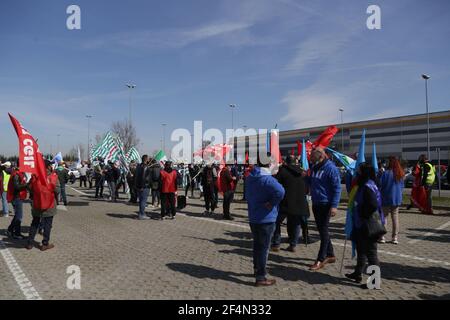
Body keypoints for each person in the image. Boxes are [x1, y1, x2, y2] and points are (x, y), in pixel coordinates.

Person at [245, 154, 285, 287]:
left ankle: (257, 269)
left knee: (257, 246)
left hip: (253, 216)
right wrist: (272, 203)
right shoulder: (268, 179)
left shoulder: (251, 177)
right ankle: (261, 277)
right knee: (263, 248)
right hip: (266, 218)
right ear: (269, 164)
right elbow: (280, 191)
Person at [345, 163, 383, 286]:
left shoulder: (367, 186)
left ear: (363, 173)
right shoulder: (365, 184)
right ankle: (358, 273)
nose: (357, 173)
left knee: (371, 253)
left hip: (368, 224)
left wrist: (362, 214)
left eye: (359, 171)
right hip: (360, 223)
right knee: (361, 249)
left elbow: (372, 205)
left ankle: (375, 281)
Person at [307, 147, 341, 271]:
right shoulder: (315, 167)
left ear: (322, 157)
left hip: (326, 204)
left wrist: (334, 206)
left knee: (324, 231)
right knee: (322, 231)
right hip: (316, 203)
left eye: (315, 160)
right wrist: (305, 176)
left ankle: (321, 259)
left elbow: (337, 188)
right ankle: (331, 254)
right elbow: (311, 181)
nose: (313, 162)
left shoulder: (331, 169)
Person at [271, 155, 310, 253]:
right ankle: (293, 244)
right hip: (299, 201)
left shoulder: (282, 171)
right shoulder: (302, 172)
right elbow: (307, 187)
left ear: (286, 162)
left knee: (276, 222)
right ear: (295, 161)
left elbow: (276, 185)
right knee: (295, 224)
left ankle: (276, 244)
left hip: (285, 201)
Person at [26, 160, 60, 251]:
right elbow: (57, 191)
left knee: (35, 223)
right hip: (50, 204)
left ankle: (30, 243)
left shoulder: (35, 176)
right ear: (48, 166)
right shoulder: (53, 176)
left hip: (37, 203)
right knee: (47, 225)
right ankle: (45, 243)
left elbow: (29, 188)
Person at [379, 156, 405, 244]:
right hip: (396, 198)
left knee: (384, 217)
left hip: (386, 197)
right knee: (395, 218)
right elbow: (402, 187)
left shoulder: (385, 173)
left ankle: (382, 237)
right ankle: (395, 238)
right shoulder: (400, 173)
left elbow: (380, 185)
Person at [6, 166, 28, 239]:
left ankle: (10, 229)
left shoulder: (20, 173)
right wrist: (26, 185)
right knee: (19, 216)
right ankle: (16, 233)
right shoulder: (16, 174)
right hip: (16, 197)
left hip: (18, 197)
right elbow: (16, 186)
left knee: (17, 215)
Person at [135, 155, 151, 220]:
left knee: (141, 201)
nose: (149, 160)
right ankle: (141, 214)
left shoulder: (138, 166)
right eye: (148, 158)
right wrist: (142, 186)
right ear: (146, 159)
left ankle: (142, 213)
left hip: (139, 186)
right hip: (144, 186)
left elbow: (137, 176)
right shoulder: (145, 167)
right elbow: (143, 177)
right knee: (143, 201)